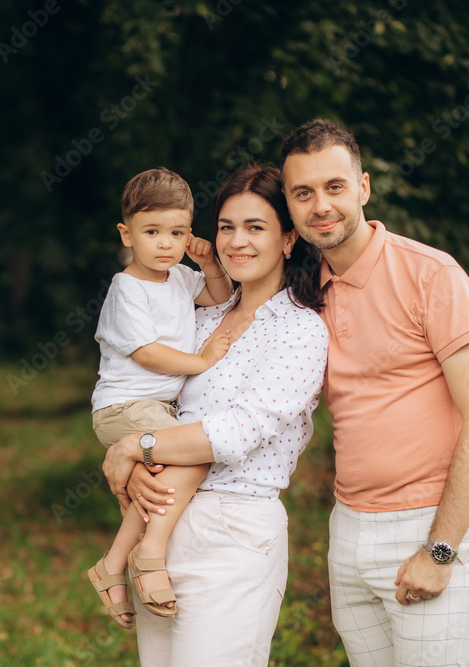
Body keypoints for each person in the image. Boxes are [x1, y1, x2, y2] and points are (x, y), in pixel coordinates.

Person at [280, 118, 469, 666]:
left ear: (363, 187)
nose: (321, 206)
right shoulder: (307, 294)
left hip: (429, 523)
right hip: (349, 528)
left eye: (334, 187)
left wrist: (441, 548)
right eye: (302, 193)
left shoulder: (431, 275)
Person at [103, 164, 328, 666]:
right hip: (161, 523)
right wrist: (136, 459)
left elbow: (241, 430)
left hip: (233, 531)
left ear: (289, 239)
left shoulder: (299, 329)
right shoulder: (200, 316)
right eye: (226, 226)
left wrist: (135, 448)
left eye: (255, 227)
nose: (236, 241)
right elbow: (146, 392)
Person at [86, 167, 235, 629]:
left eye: (178, 233)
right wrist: (203, 359)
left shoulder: (180, 277)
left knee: (158, 481)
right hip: (122, 408)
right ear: (126, 234)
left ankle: (111, 565)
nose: (166, 244)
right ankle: (148, 553)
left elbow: (219, 294)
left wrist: (210, 264)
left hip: (151, 411)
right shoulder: (126, 288)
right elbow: (149, 355)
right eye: (152, 232)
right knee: (198, 450)